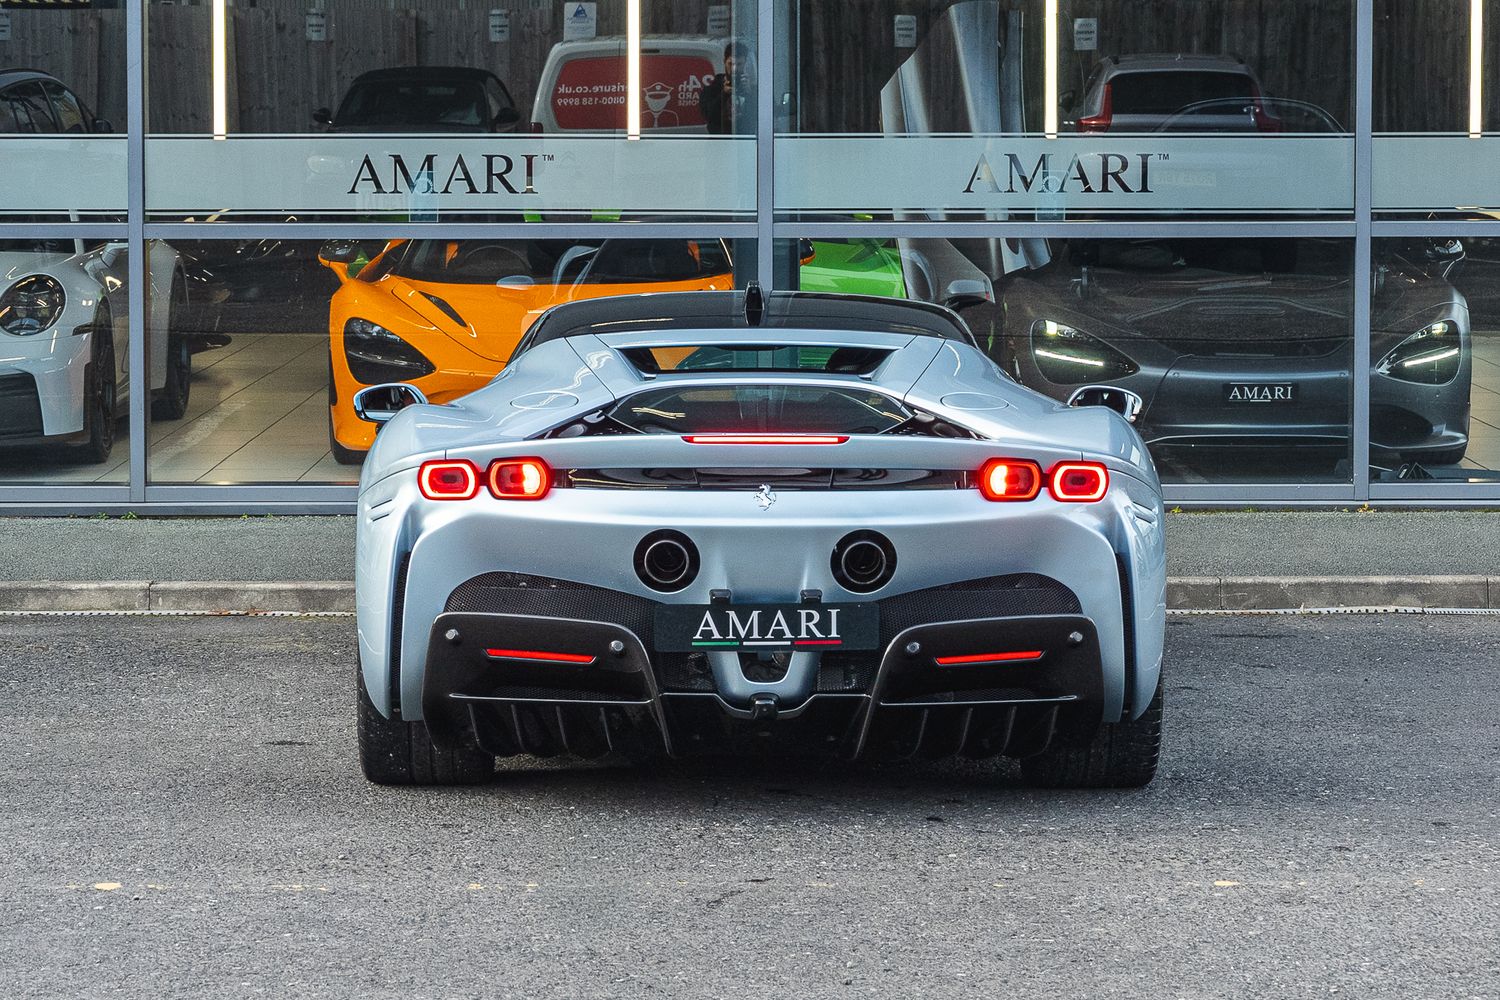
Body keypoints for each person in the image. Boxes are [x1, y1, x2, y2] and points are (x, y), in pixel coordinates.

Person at [699, 41, 754, 135]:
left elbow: (758, 118)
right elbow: (708, 116)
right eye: (730, 64)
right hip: (720, 143)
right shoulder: (712, 89)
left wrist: (750, 94)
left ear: (745, 63)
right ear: (724, 61)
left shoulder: (752, 89)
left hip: (745, 143)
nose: (734, 69)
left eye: (739, 64)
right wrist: (724, 94)